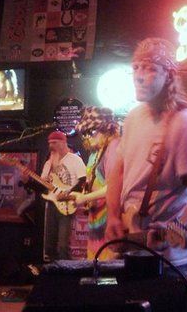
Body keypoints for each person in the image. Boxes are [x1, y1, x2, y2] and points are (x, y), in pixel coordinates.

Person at [104, 37, 187, 277]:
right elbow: (119, 172)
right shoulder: (133, 117)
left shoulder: (186, 122)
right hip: (131, 247)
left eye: (150, 68)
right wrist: (112, 216)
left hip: (169, 261)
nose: (139, 76)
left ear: (170, 75)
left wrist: (178, 229)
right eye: (136, 68)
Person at [67, 105, 121, 260]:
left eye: (91, 132)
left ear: (106, 129)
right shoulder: (95, 153)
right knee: (95, 264)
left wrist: (85, 198)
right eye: (84, 133)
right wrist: (81, 195)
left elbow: (114, 187)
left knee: (108, 267)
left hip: (109, 221)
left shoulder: (114, 147)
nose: (87, 137)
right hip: (96, 222)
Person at [42, 130, 87, 261]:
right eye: (49, 143)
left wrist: (68, 193)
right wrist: (28, 181)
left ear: (63, 142)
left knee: (63, 245)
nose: (51, 146)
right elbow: (43, 185)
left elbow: (83, 180)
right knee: (49, 245)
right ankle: (53, 270)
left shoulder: (75, 159)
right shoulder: (48, 163)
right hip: (52, 203)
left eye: (54, 143)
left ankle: (66, 270)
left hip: (67, 203)